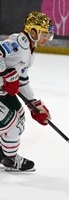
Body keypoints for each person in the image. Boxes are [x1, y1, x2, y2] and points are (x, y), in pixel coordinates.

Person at [0, 11, 53, 172]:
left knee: (19, 117)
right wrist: (4, 74)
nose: (46, 38)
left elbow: (22, 80)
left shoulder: (29, 51)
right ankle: (9, 159)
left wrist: (34, 104)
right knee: (12, 122)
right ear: (33, 31)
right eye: (44, 33)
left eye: (48, 34)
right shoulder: (19, 42)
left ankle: (4, 154)